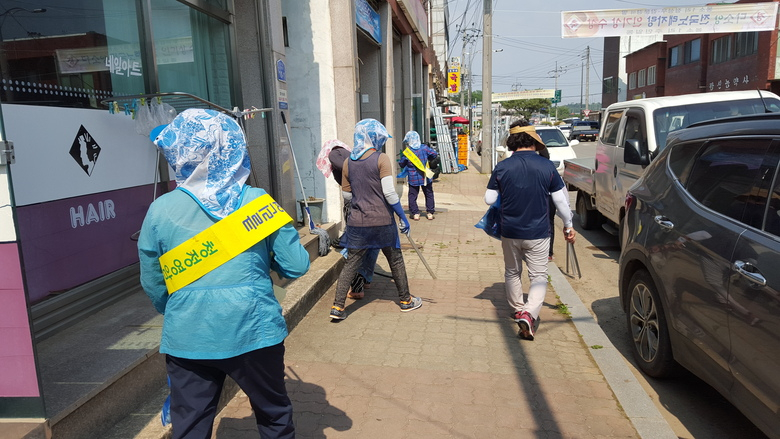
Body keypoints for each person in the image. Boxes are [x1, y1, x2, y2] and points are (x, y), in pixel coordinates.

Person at [138, 108, 310, 438]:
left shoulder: (160, 209)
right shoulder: (258, 202)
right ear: (233, 148)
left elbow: (153, 280)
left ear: (181, 150)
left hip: (188, 335)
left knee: (189, 425)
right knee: (274, 417)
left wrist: (175, 307)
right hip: (254, 330)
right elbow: (297, 265)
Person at [484, 119, 576, 340]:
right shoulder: (547, 166)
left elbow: (489, 199)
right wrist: (568, 225)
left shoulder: (502, 166)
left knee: (512, 271)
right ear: (535, 142)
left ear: (512, 143)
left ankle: (517, 309)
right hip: (538, 232)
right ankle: (529, 312)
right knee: (539, 277)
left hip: (509, 230)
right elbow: (561, 202)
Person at [330, 119, 423, 320]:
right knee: (395, 260)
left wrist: (361, 198)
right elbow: (390, 193)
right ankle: (406, 301)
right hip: (382, 221)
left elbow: (347, 196)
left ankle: (338, 307)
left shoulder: (347, 163)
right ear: (373, 138)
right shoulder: (381, 159)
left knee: (351, 263)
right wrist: (401, 216)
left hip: (357, 223)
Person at [317, 139, 379, 299]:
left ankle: (356, 288)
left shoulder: (335, 154)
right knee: (372, 243)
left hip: (357, 204)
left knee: (355, 247)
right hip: (373, 202)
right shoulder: (354, 155)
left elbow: (349, 169)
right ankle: (366, 279)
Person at [398, 130, 438, 220]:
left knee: (412, 195)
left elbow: (401, 164)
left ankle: (415, 213)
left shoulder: (408, 152)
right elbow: (434, 154)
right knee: (429, 194)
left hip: (413, 178)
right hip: (425, 176)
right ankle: (430, 213)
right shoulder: (424, 148)